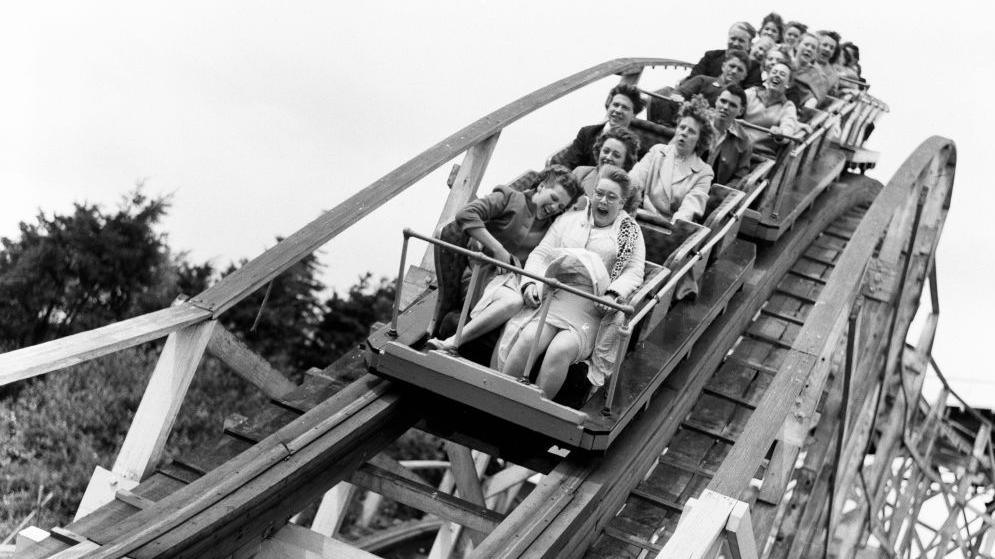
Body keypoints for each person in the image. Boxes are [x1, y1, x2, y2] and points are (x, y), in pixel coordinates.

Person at [498, 165, 645, 398]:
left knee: (560, 350)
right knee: (528, 338)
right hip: (556, 295)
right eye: (599, 193)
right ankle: (500, 398)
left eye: (611, 197)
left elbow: (634, 272)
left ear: (622, 202)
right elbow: (541, 254)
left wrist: (613, 294)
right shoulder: (569, 219)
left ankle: (532, 410)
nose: (603, 201)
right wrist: (531, 283)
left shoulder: (630, 233)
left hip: (593, 307)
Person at [426, 166, 582, 353]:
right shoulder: (509, 198)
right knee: (513, 301)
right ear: (541, 187)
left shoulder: (550, 228)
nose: (554, 208)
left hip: (514, 282)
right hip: (481, 276)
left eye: (561, 206)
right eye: (554, 198)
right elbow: (466, 214)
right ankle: (453, 341)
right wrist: (497, 249)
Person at [630, 99, 715, 223]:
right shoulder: (657, 152)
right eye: (682, 127)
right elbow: (634, 180)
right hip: (640, 216)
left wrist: (672, 229)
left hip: (669, 229)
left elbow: (690, 209)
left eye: (691, 131)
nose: (684, 133)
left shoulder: (704, 172)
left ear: (700, 140)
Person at [550, 83, 646, 170]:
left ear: (634, 114)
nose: (618, 110)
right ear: (609, 106)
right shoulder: (587, 133)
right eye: (615, 105)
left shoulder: (637, 147)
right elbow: (568, 165)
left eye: (625, 108)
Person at [571, 127, 642, 206]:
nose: (608, 157)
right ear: (599, 151)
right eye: (606, 151)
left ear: (625, 162)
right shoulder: (580, 174)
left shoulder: (631, 191)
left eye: (616, 155)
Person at [742, 60, 802, 152]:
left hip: (759, 154)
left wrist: (780, 133)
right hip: (738, 147)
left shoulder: (788, 107)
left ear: (788, 84)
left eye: (782, 74)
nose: (777, 75)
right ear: (767, 77)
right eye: (774, 72)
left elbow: (788, 130)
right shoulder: (751, 93)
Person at [705, 84, 754, 187]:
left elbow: (739, 177)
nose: (725, 107)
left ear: (741, 111)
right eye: (723, 101)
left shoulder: (744, 141)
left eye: (732, 105)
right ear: (716, 101)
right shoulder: (699, 121)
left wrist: (718, 195)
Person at [686, 22, 762, 88]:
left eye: (741, 41)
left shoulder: (754, 67)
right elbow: (693, 80)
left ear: (749, 45)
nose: (735, 43)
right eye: (733, 38)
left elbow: (751, 94)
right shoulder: (710, 57)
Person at [674, 49, 750, 107]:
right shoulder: (702, 80)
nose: (734, 71)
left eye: (740, 70)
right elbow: (677, 94)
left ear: (744, 76)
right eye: (732, 66)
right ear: (723, 66)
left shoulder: (740, 98)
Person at [793, 32, 834, 106]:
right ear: (797, 46)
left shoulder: (818, 76)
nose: (809, 49)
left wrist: (811, 102)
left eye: (813, 48)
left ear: (816, 54)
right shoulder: (783, 63)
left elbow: (816, 98)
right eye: (806, 44)